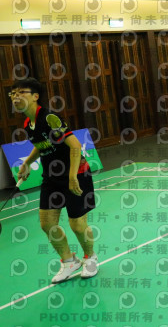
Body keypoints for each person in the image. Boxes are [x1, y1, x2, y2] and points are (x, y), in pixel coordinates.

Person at [11, 78, 98, 284]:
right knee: (47, 223)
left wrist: (72, 176)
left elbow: (75, 145)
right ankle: (69, 261)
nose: (15, 97)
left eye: (21, 92)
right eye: (13, 94)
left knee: (78, 225)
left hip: (76, 173)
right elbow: (42, 144)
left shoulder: (49, 118)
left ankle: (90, 257)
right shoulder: (28, 123)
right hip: (51, 177)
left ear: (35, 96)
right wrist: (27, 163)